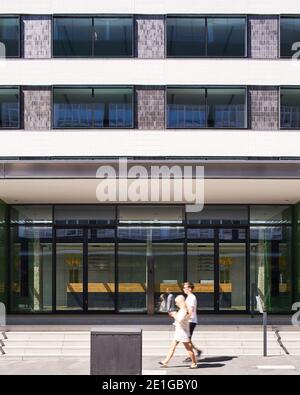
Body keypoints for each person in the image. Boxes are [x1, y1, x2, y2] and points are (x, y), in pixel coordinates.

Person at [158, 295, 197, 369]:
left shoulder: (184, 310)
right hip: (179, 331)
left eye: (176, 302)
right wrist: (175, 314)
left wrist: (174, 315)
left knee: (188, 348)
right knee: (172, 347)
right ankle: (165, 361)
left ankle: (194, 363)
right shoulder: (182, 309)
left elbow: (179, 319)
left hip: (183, 332)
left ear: (180, 302)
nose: (176, 304)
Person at [182, 282, 202, 362]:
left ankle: (191, 355)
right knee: (187, 339)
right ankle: (195, 352)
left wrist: (184, 319)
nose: (183, 289)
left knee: (187, 339)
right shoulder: (189, 297)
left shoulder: (191, 298)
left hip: (191, 321)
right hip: (190, 320)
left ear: (189, 288)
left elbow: (191, 311)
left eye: (185, 287)